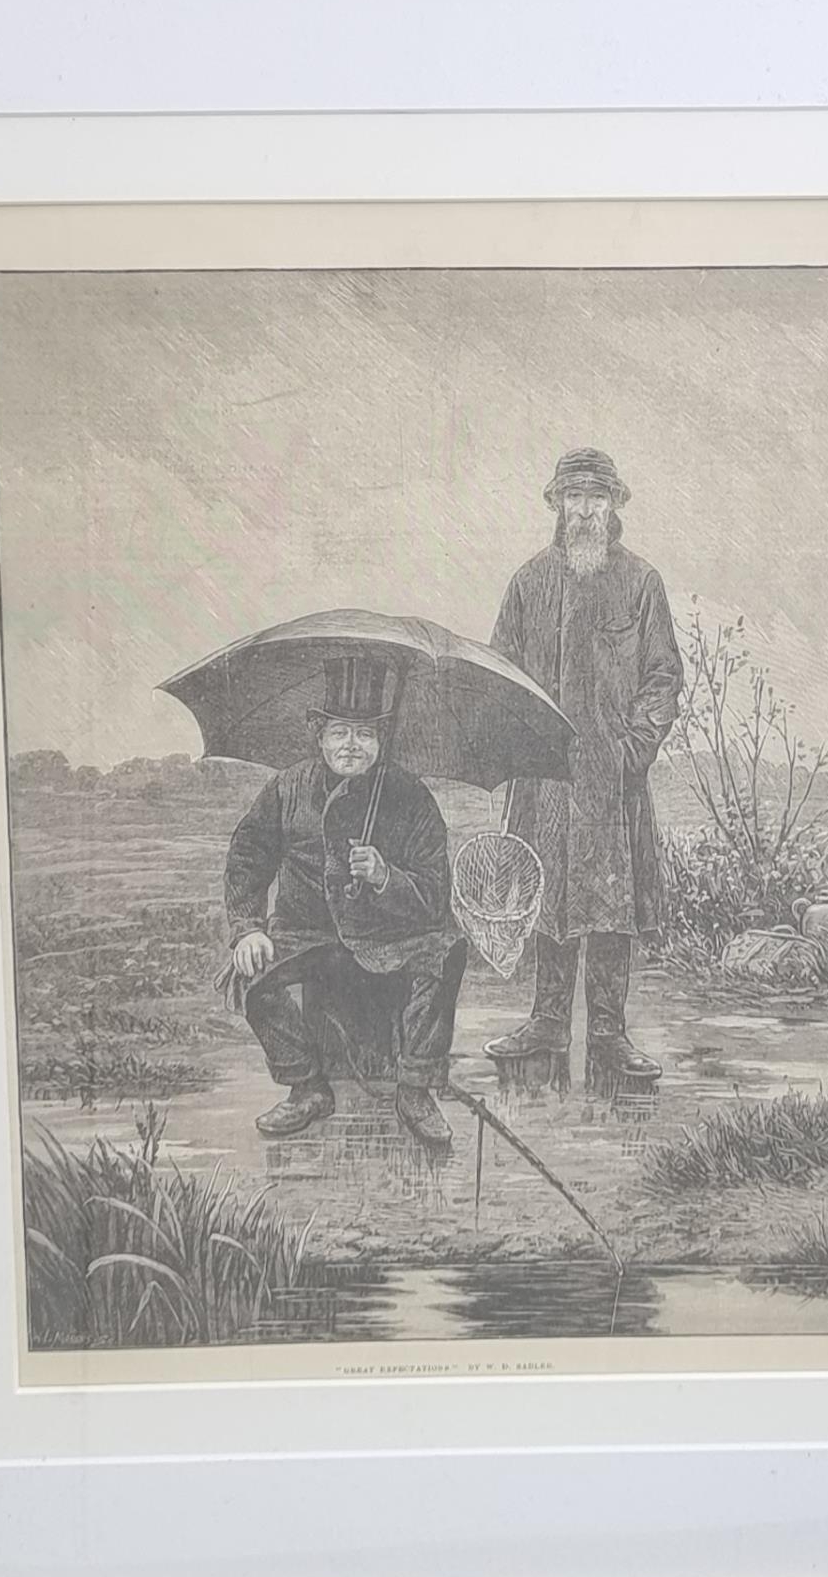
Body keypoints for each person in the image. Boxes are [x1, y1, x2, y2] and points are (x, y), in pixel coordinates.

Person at [487, 448, 685, 1080]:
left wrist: (633, 749)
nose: (585, 510)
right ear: (557, 504)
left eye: (597, 497)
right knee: (544, 893)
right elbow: (500, 671)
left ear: (614, 505)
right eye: (573, 497)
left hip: (612, 776)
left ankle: (607, 1033)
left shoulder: (641, 582)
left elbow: (664, 676)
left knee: (610, 901)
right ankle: (547, 1022)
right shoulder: (528, 583)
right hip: (543, 777)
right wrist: (519, 745)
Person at [224, 656, 467, 1150]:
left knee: (445, 953)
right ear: (320, 736)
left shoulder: (411, 796)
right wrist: (247, 927)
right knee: (248, 973)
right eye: (339, 733)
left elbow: (434, 894)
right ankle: (306, 1085)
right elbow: (247, 856)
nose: (350, 745)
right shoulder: (288, 788)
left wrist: (385, 877)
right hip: (306, 932)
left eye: (364, 734)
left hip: (386, 936)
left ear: (381, 739)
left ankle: (416, 1088)